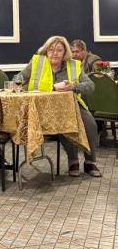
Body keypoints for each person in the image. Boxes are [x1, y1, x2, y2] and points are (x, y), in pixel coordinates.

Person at [13, 35, 101, 177]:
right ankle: (73, 161)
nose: (55, 53)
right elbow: (17, 79)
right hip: (42, 108)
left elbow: (91, 86)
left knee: (90, 124)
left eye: (59, 50)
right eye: (51, 49)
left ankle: (90, 162)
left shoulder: (73, 65)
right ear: (46, 51)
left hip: (71, 105)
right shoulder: (36, 62)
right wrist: (21, 86)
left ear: (65, 52)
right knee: (64, 123)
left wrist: (73, 86)